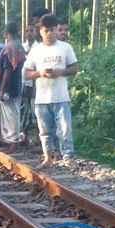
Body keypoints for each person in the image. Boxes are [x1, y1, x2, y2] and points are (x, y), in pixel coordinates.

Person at [24, 14, 78, 167]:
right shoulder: (36, 51)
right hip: (42, 97)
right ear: (40, 31)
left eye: (52, 30)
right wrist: (39, 73)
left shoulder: (65, 48)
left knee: (65, 129)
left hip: (61, 96)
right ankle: (48, 158)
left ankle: (68, 157)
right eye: (46, 30)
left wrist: (60, 72)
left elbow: (74, 68)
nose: (49, 34)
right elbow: (26, 73)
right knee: (45, 131)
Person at [0, 21, 27, 154]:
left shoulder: (9, 48)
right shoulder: (19, 47)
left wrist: (2, 90)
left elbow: (7, 70)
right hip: (17, 85)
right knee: (13, 113)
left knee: (11, 115)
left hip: (9, 88)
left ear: (6, 33)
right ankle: (11, 142)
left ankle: (13, 143)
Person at [21, 23, 39, 148]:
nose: (29, 33)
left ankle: (38, 137)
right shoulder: (21, 47)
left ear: (36, 32)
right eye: (27, 31)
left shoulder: (39, 48)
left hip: (35, 83)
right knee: (23, 110)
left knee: (35, 110)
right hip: (22, 82)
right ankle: (24, 136)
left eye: (31, 31)